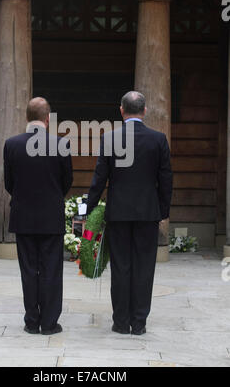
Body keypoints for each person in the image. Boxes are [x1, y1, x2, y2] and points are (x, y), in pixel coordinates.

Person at [87, 91, 173, 336]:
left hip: (119, 213)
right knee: (144, 267)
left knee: (121, 266)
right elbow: (166, 179)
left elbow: (99, 178)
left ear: (121, 111)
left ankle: (121, 322)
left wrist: (88, 208)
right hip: (148, 213)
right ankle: (139, 323)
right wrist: (162, 210)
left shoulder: (110, 138)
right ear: (144, 111)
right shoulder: (158, 139)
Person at [4, 97, 73, 335]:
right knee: (52, 270)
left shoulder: (11, 144)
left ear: (27, 117)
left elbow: (9, 183)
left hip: (23, 216)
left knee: (28, 270)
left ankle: (31, 321)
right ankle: (50, 323)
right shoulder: (61, 144)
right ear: (47, 119)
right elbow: (67, 183)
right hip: (51, 217)